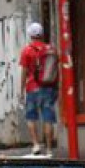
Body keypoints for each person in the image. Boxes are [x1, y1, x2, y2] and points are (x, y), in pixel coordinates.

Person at [18, 21, 58, 157]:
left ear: (30, 35)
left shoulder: (27, 51)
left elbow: (24, 72)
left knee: (31, 117)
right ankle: (49, 149)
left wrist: (21, 90)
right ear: (42, 34)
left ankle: (35, 144)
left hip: (32, 88)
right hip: (48, 88)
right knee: (48, 119)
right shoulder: (50, 49)